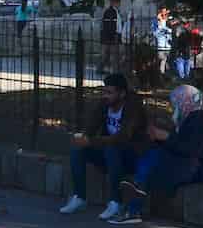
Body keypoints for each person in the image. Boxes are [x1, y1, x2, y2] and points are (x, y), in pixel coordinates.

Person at [111, 84, 203, 225]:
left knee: (150, 162)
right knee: (148, 158)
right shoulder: (187, 119)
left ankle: (134, 204)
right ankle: (134, 196)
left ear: (187, 102)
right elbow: (178, 145)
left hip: (191, 169)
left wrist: (166, 137)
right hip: (181, 164)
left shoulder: (199, 120)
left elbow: (191, 149)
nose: (174, 106)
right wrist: (159, 137)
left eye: (177, 102)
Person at [59, 73, 150, 220]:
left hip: (131, 156)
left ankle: (116, 201)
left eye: (110, 92)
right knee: (79, 150)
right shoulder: (105, 103)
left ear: (122, 93)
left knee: (111, 149)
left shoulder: (133, 106)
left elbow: (123, 137)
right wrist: (84, 137)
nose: (105, 95)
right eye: (104, 91)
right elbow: (92, 125)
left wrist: (92, 141)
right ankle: (79, 197)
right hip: (110, 154)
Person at [100, 0, 123, 78]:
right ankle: (108, 70)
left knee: (112, 54)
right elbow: (109, 25)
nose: (119, 4)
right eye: (118, 2)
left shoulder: (116, 11)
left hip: (114, 35)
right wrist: (113, 36)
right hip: (112, 36)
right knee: (110, 54)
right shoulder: (110, 12)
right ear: (114, 2)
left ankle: (109, 69)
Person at [153, 8, 173, 80]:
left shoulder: (169, 21)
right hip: (160, 45)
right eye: (163, 12)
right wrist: (161, 28)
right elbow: (154, 33)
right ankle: (159, 76)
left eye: (166, 12)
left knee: (166, 61)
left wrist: (167, 29)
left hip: (167, 45)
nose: (165, 14)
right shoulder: (156, 21)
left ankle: (164, 76)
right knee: (161, 60)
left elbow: (172, 31)